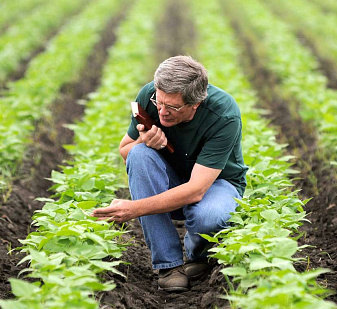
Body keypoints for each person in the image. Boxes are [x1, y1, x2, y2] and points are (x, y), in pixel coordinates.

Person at [92, 55, 248, 292]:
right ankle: (169, 265)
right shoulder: (149, 96)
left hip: (216, 184)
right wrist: (144, 140)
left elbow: (196, 190)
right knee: (139, 154)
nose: (163, 113)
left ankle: (198, 255)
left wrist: (133, 209)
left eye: (173, 107)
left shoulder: (223, 115)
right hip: (169, 180)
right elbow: (125, 150)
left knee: (209, 216)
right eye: (160, 102)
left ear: (195, 104)